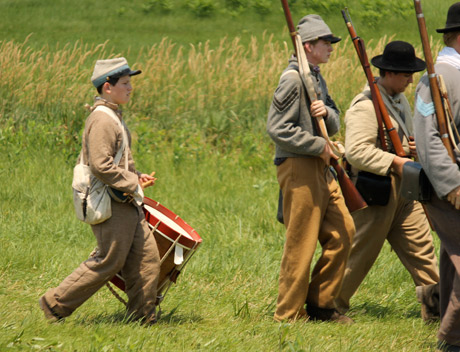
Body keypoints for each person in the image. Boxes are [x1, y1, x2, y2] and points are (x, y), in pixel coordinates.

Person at [39, 57, 161, 325]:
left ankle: (142, 317)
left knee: (148, 259)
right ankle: (54, 304)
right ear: (108, 87)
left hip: (124, 200)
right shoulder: (103, 119)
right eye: (126, 83)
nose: (131, 88)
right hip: (110, 202)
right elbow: (100, 165)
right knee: (108, 261)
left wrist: (136, 176)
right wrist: (133, 183)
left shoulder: (113, 114)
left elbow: (117, 162)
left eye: (130, 83)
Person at [334, 41, 440, 322]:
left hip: (405, 189)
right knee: (359, 256)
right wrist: (395, 161)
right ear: (389, 73)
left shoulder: (398, 99)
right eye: (406, 74)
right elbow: (356, 151)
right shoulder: (365, 105)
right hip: (375, 191)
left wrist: (410, 148)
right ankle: (329, 306)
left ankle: (437, 307)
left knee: (423, 250)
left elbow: (397, 140)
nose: (410, 79)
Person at [267, 14, 355, 323]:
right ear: (308, 46)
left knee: (345, 231)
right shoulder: (292, 79)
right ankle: (288, 314)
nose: (331, 47)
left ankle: (320, 303)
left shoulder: (316, 77)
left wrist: (326, 112)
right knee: (301, 241)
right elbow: (277, 128)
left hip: (321, 167)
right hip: (299, 165)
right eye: (326, 42)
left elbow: (334, 117)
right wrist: (320, 146)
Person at [413, 3, 460, 350]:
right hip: (450, 185)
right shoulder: (439, 75)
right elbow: (427, 135)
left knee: (452, 258)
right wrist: (452, 183)